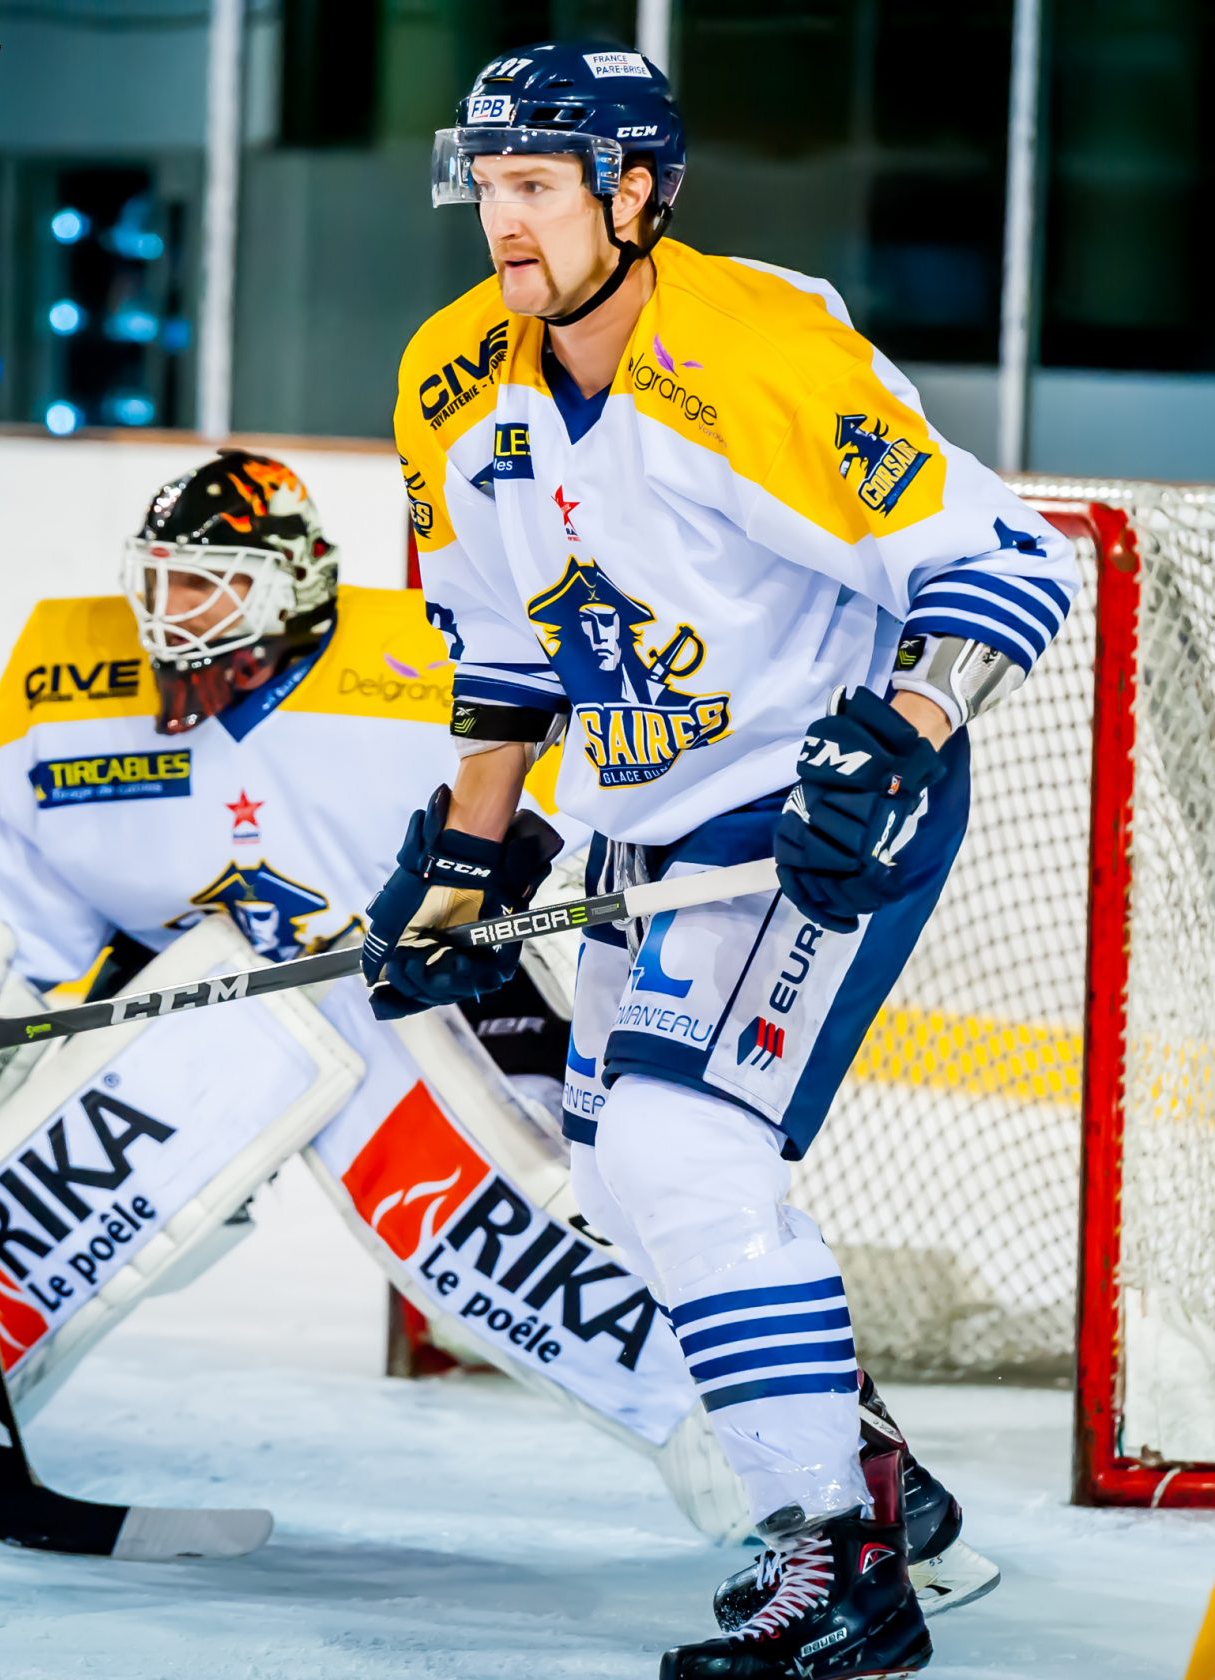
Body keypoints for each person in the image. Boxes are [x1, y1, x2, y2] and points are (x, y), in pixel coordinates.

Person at [364, 41, 1075, 1679]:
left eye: (538, 186)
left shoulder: (758, 355)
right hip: (647, 825)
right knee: (626, 1177)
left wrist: (898, 739)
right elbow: (504, 652)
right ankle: (874, 1480)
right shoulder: (449, 376)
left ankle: (841, 1567)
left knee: (683, 1152)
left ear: (635, 192)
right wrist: (469, 854)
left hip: (817, 809)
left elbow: (1009, 561)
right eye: (488, 186)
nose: (504, 221)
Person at [0, 447, 752, 1545]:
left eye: (208, 585)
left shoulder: (442, 659)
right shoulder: (61, 691)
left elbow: (593, 823)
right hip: (194, 1003)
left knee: (509, 1228)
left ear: (296, 582)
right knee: (63, 1165)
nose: (171, 614)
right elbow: (2, 908)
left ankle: (754, 1435)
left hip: (441, 991)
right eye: (160, 580)